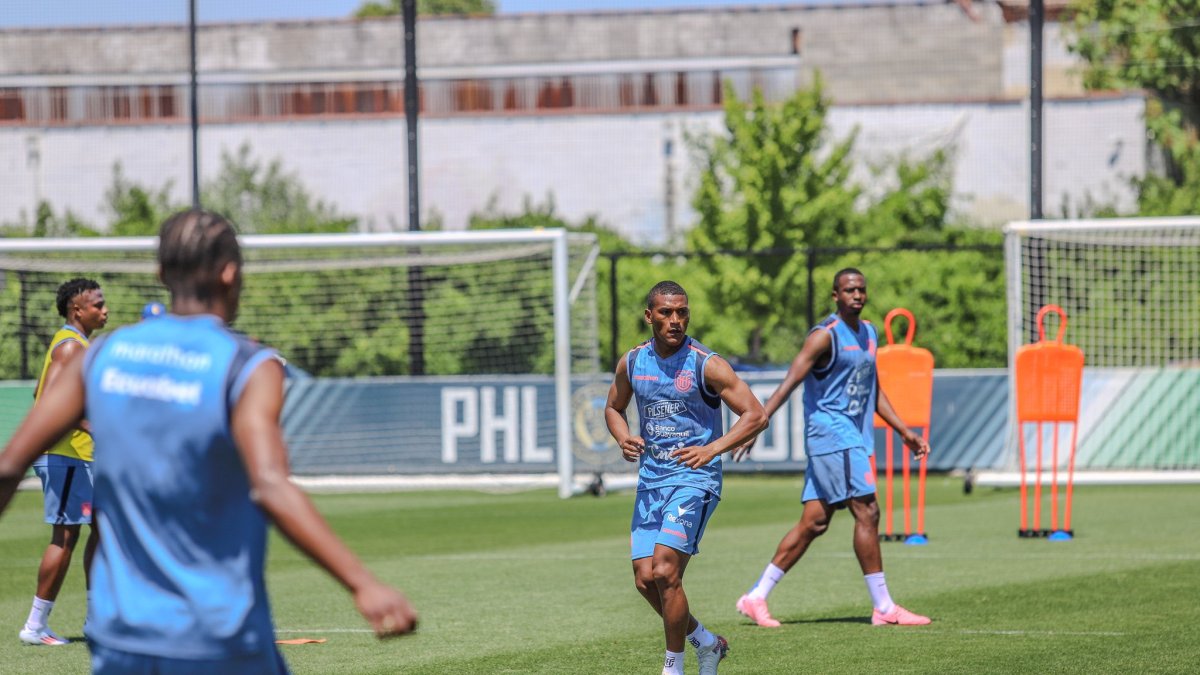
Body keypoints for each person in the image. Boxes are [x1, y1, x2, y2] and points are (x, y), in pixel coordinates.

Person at [0, 209, 417, 673]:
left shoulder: (101, 357)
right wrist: (363, 584)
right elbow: (270, 485)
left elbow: (8, 466)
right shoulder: (249, 365)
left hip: (121, 643)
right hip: (218, 638)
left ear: (161, 274)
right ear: (230, 273)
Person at [733, 268, 932, 628]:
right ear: (835, 296)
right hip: (832, 434)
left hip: (851, 436)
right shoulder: (823, 337)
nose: (856, 295)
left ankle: (755, 596)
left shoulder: (870, 333)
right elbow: (789, 382)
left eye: (861, 289)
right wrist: (757, 424)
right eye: (849, 290)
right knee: (867, 511)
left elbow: (874, 392)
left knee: (815, 521)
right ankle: (884, 607)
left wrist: (904, 431)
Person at [605, 280, 768, 675]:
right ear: (650, 316)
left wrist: (713, 449)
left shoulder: (705, 362)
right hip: (651, 482)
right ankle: (707, 643)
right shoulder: (632, 362)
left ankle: (672, 668)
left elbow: (756, 414)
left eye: (682, 312)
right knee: (646, 581)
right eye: (666, 313)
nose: (675, 320)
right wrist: (624, 436)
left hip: (694, 480)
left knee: (665, 569)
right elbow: (613, 407)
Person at [19, 277, 108, 646]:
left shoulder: (79, 346)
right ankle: (35, 626)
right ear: (77, 309)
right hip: (65, 455)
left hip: (78, 455)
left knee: (103, 532)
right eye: (97, 305)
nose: (105, 311)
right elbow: (49, 405)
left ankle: (98, 621)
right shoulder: (71, 348)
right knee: (66, 537)